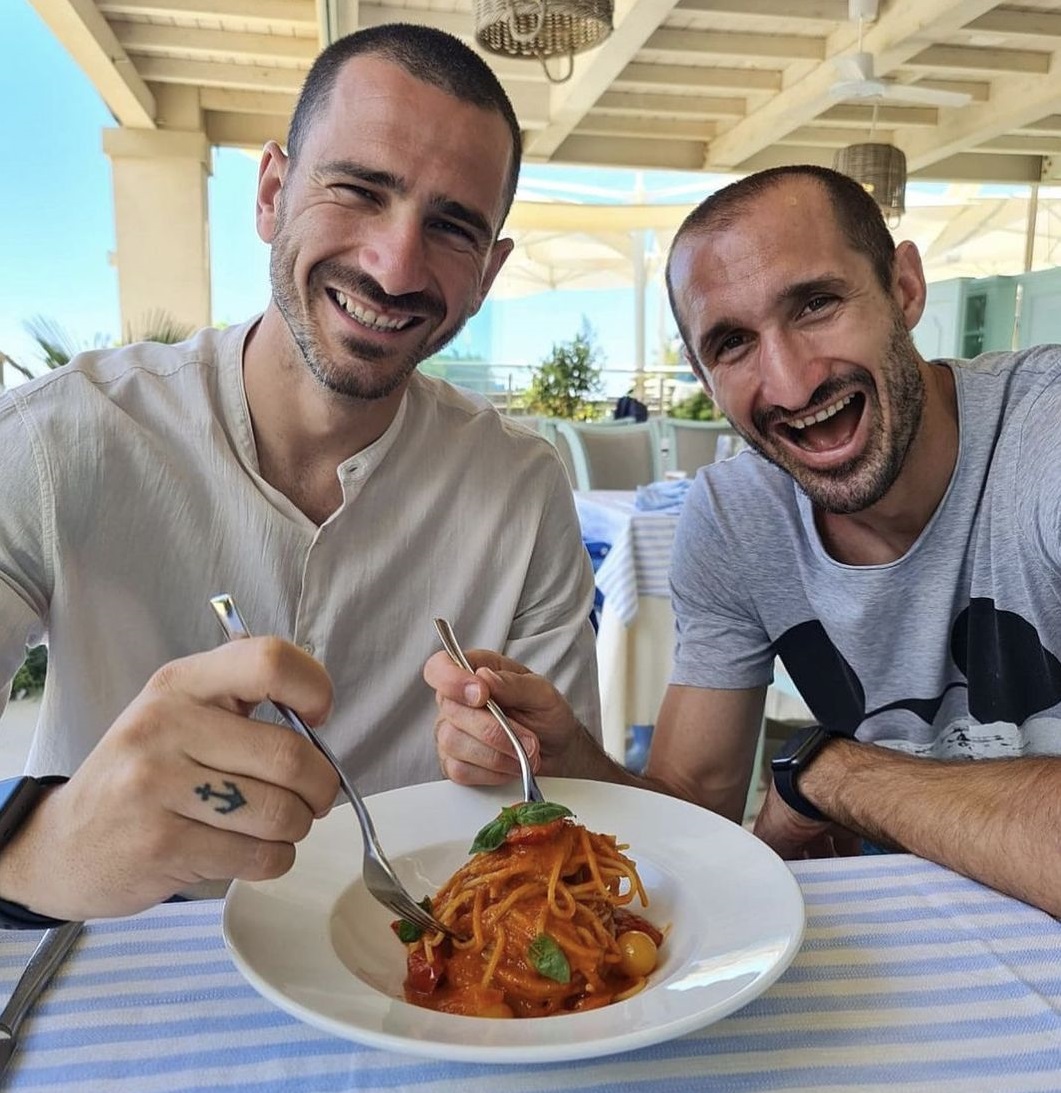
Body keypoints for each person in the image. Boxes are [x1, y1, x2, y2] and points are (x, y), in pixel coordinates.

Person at [0, 24, 600, 925]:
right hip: (121, 964)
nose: (395, 265)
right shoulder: (62, 435)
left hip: (420, 971)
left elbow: (556, 795)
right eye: (358, 190)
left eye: (451, 226)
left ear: (487, 274)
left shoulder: (521, 487)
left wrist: (538, 759)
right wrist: (46, 846)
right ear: (273, 192)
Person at [427, 164, 1061, 918]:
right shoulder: (734, 519)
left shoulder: (1040, 442)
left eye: (816, 303)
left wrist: (833, 775)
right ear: (700, 372)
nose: (790, 384)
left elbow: (813, 786)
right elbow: (692, 809)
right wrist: (569, 759)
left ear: (904, 288)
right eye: (732, 343)